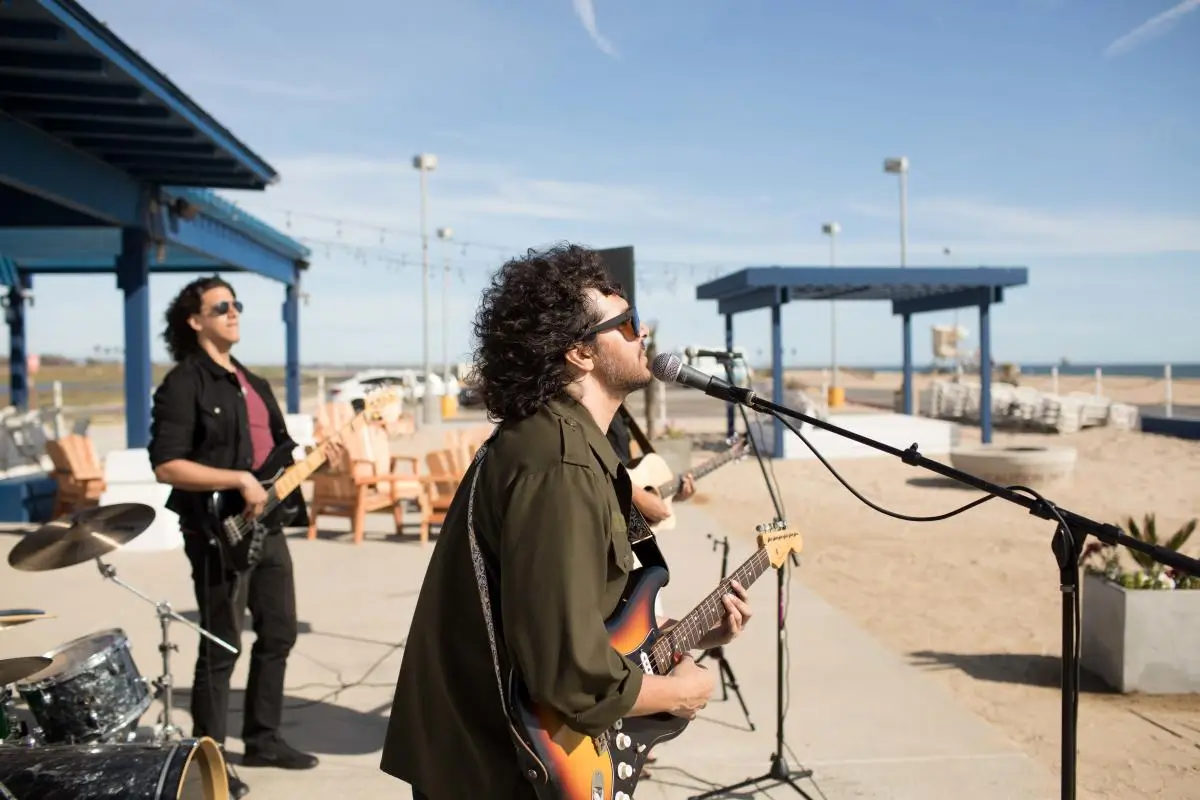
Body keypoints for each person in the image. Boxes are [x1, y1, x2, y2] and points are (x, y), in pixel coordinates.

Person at [380, 244, 752, 799]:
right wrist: (680, 693)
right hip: (495, 772)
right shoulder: (560, 465)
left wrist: (678, 638)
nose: (644, 331)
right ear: (580, 352)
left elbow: (573, 622)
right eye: (627, 323)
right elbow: (567, 671)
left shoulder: (563, 443)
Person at [148, 276, 318, 799]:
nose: (233, 312)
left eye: (235, 303)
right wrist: (237, 479)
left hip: (268, 525)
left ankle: (263, 739)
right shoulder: (184, 384)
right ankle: (211, 758)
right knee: (222, 643)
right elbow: (167, 465)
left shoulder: (254, 383)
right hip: (215, 530)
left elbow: (276, 459)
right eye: (220, 306)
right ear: (195, 321)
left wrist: (317, 460)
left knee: (279, 631)